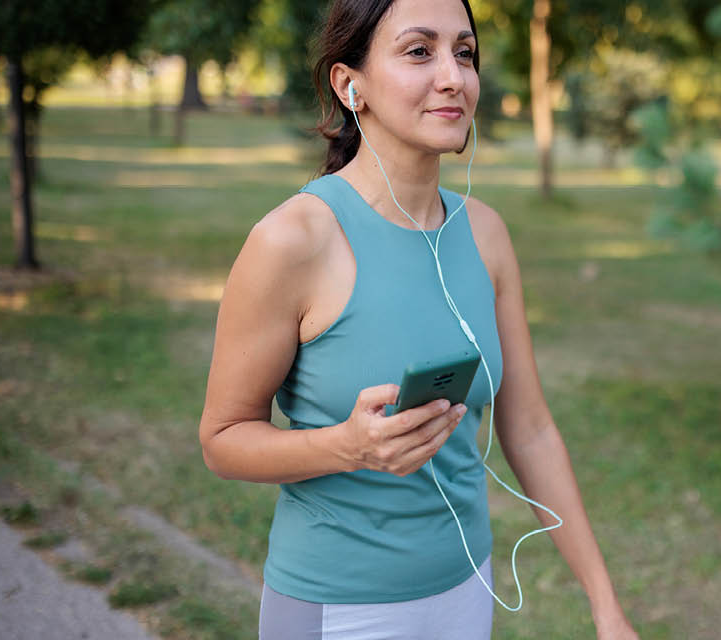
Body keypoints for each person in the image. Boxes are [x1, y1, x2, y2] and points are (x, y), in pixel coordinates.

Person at [197, 0, 640, 638]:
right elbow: (222, 440)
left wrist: (605, 604)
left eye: (464, 53)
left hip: (467, 592)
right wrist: (345, 446)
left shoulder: (485, 233)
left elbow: (532, 428)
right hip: (338, 609)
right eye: (418, 51)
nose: (453, 76)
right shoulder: (293, 240)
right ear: (351, 85)